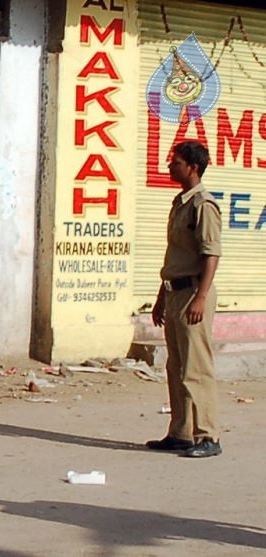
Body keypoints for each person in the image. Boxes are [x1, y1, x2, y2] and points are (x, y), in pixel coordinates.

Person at [147, 140, 222, 458]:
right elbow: (174, 255)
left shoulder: (202, 205)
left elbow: (211, 254)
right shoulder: (180, 203)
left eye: (175, 162)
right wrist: (161, 296)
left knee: (197, 367)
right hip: (175, 291)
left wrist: (201, 297)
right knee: (176, 366)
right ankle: (181, 432)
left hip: (194, 292)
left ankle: (208, 435)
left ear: (192, 167)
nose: (169, 166)